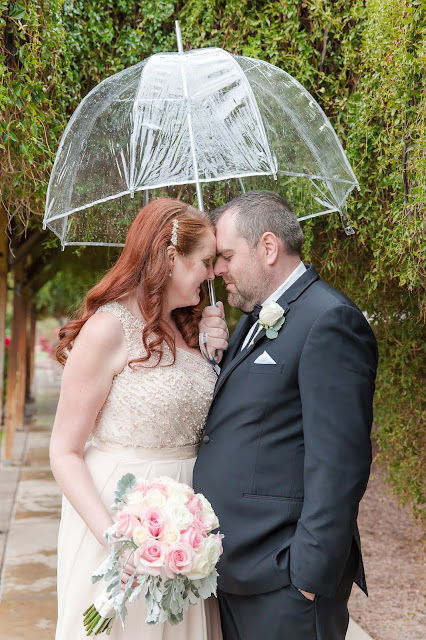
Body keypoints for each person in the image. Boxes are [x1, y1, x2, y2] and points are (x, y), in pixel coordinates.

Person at [194, 190, 378, 640]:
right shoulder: (252, 319)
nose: (218, 270)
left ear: (269, 248)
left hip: (283, 579)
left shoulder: (329, 320)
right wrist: (214, 360)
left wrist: (307, 579)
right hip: (238, 569)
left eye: (227, 256)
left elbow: (339, 463)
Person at [49, 198, 228, 640]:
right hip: (118, 514)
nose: (212, 274)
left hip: (189, 525)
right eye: (205, 262)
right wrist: (115, 538)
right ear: (171, 259)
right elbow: (64, 451)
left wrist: (214, 353)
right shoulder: (109, 328)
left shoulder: (192, 330)